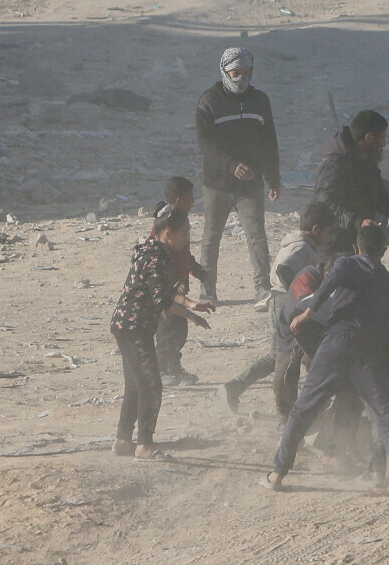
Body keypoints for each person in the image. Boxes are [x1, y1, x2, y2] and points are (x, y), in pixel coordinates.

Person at [262, 224, 389, 497]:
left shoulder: (346, 264)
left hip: (336, 343)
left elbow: (328, 285)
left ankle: (277, 474)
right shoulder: (386, 280)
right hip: (368, 353)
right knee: (387, 415)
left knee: (302, 410)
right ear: (384, 250)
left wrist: (308, 313)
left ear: (357, 246)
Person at [112, 210, 213, 460]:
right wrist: (191, 315)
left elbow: (164, 292)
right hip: (136, 327)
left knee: (136, 384)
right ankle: (144, 445)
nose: (186, 239)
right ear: (167, 234)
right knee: (151, 384)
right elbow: (162, 301)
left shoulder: (151, 252)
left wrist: (190, 305)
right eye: (184, 233)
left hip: (127, 325)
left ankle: (123, 440)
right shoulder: (156, 258)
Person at [221, 202, 337, 414]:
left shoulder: (300, 243)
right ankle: (235, 387)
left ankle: (237, 387)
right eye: (328, 232)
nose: (329, 237)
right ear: (316, 229)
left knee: (284, 353)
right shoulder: (301, 247)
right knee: (282, 354)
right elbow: (285, 270)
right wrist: (298, 294)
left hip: (283, 300)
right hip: (285, 301)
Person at [194, 46, 282, 308]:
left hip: (250, 184)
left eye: (246, 72)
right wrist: (231, 165)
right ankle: (207, 292)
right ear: (224, 71)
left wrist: (274, 177)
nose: (241, 78)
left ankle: (262, 291)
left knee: (257, 236)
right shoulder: (209, 101)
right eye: (235, 72)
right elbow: (205, 145)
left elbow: (269, 141)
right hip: (217, 185)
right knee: (211, 239)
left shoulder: (260, 101)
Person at [311, 110, 389, 247]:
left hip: (357, 240)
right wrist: (358, 222)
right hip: (334, 244)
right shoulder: (335, 165)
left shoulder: (366, 161)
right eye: (382, 138)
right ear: (369, 137)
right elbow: (327, 205)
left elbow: (380, 197)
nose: (384, 144)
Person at [152, 178, 206, 385]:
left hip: (178, 290)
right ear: (178, 199)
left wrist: (195, 269)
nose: (193, 201)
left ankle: (173, 368)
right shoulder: (166, 226)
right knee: (166, 333)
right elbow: (159, 258)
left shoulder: (180, 222)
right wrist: (173, 284)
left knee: (178, 332)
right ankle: (160, 371)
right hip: (166, 292)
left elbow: (184, 253)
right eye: (190, 197)